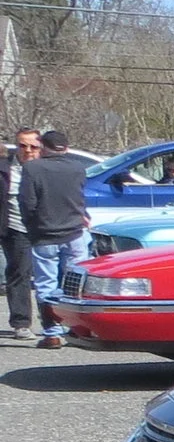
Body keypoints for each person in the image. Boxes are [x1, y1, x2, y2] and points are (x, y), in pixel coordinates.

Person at [19, 128, 93, 349]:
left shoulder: (33, 168)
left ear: (43, 147)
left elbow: (27, 202)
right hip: (75, 232)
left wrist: (31, 227)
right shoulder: (78, 168)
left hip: (45, 234)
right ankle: (76, 328)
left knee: (46, 285)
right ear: (66, 148)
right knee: (74, 284)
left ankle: (52, 332)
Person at [2, 128, 35, 338]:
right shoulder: (6, 169)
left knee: (51, 277)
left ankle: (58, 324)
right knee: (19, 274)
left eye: (33, 146)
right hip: (15, 229)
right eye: (23, 145)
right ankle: (21, 323)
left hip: (48, 229)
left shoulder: (47, 169)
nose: (28, 150)